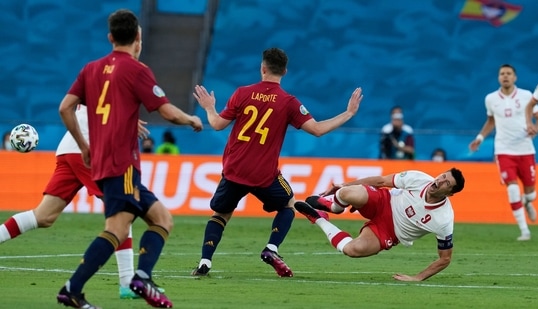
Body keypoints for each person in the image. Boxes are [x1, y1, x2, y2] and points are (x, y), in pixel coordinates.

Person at [57, 9, 203, 308]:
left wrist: (85, 146)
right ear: (138, 37)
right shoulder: (137, 70)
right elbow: (166, 111)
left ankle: (141, 278)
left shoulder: (91, 69)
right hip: (122, 164)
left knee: (162, 219)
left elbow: (65, 108)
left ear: (111, 37)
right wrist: (191, 119)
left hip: (103, 162)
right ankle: (73, 288)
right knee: (117, 229)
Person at [190, 47, 363, 277]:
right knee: (289, 204)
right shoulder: (288, 101)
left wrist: (209, 107)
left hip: (234, 170)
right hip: (264, 174)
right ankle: (271, 248)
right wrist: (348, 113)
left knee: (221, 215)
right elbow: (318, 130)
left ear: (262, 68)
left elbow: (218, 124)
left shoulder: (242, 93)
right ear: (285, 71)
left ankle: (205, 261)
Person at [0, 105, 145, 299]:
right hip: (86, 148)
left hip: (68, 149)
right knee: (122, 210)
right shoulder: (109, 78)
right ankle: (127, 283)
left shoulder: (95, 78)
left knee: (43, 216)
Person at [294, 168, 465, 281]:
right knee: (347, 192)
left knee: (352, 250)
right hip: (384, 201)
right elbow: (381, 181)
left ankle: (319, 218)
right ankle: (334, 206)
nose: (440, 181)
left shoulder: (443, 220)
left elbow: (445, 258)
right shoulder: (419, 178)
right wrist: (344, 185)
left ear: (450, 193)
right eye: (443, 176)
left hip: (390, 231)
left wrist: (417, 277)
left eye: (446, 184)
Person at [469, 64, 538, 241]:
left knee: (531, 192)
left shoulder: (526, 96)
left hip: (525, 150)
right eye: (502, 74)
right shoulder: (491, 99)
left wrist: (535, 128)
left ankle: (527, 201)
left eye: (509, 73)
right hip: (504, 150)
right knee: (513, 189)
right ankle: (525, 231)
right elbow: (491, 122)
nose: (505, 76)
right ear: (498, 77)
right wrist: (479, 138)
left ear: (515, 77)